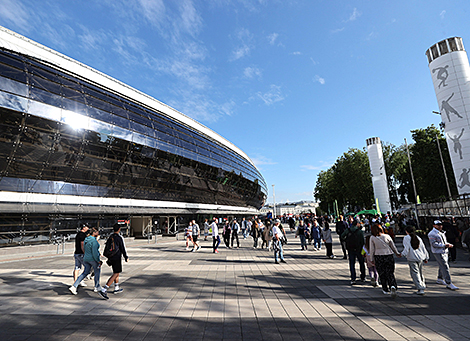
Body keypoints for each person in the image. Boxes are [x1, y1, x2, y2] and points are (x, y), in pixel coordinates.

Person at [69, 228, 108, 299]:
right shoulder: (94, 241)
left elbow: (84, 247)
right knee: (97, 271)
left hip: (86, 258)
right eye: (97, 232)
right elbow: (95, 252)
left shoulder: (86, 239)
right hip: (92, 259)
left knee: (85, 272)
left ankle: (74, 286)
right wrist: (98, 260)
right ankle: (97, 286)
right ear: (95, 233)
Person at [370, 224, 401, 298]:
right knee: (390, 272)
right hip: (389, 255)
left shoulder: (372, 238)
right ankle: (392, 285)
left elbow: (372, 249)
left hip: (378, 256)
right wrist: (397, 253)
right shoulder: (387, 236)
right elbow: (392, 246)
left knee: (382, 272)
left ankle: (385, 288)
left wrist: (371, 259)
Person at [428, 220, 459, 290]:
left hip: (444, 251)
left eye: (440, 225)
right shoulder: (432, 234)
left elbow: (443, 241)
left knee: (442, 265)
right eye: (438, 225)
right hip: (438, 252)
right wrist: (444, 245)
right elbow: (433, 244)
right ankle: (449, 282)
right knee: (445, 266)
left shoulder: (441, 232)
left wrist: (446, 245)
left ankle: (440, 278)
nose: (440, 226)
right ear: (434, 226)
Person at [401, 226, 429, 295]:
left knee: (415, 273)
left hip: (412, 257)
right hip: (420, 257)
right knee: (420, 272)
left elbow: (406, 248)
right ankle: (422, 284)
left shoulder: (406, 238)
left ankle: (420, 288)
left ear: (406, 231)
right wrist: (426, 257)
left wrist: (402, 254)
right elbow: (423, 248)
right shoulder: (418, 237)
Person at [102, 224, 129, 295]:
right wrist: (126, 257)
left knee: (116, 271)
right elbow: (122, 248)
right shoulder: (119, 238)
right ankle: (105, 288)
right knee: (116, 273)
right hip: (117, 257)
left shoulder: (110, 237)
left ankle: (116, 287)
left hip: (111, 257)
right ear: (119, 229)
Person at [341, 220, 365, 286]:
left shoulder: (348, 230)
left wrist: (346, 240)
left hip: (350, 249)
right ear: (357, 224)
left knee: (352, 264)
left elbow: (342, 236)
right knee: (361, 262)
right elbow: (362, 241)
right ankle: (363, 276)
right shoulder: (360, 231)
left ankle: (353, 278)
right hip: (358, 249)